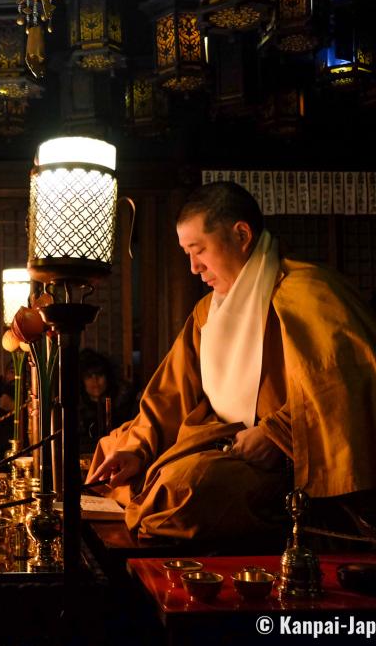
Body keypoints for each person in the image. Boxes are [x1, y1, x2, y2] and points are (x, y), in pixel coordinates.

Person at [86, 181, 376, 542]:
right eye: (187, 254)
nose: (193, 267)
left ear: (241, 235)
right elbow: (170, 394)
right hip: (219, 441)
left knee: (182, 491)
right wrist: (137, 449)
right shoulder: (206, 312)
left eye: (199, 251)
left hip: (282, 460)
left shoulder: (308, 292)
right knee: (113, 451)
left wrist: (276, 433)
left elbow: (344, 385)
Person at [77, 348, 136, 456]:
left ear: (107, 377)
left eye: (99, 375)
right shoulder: (77, 409)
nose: (95, 380)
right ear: (82, 380)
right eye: (89, 376)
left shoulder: (123, 404)